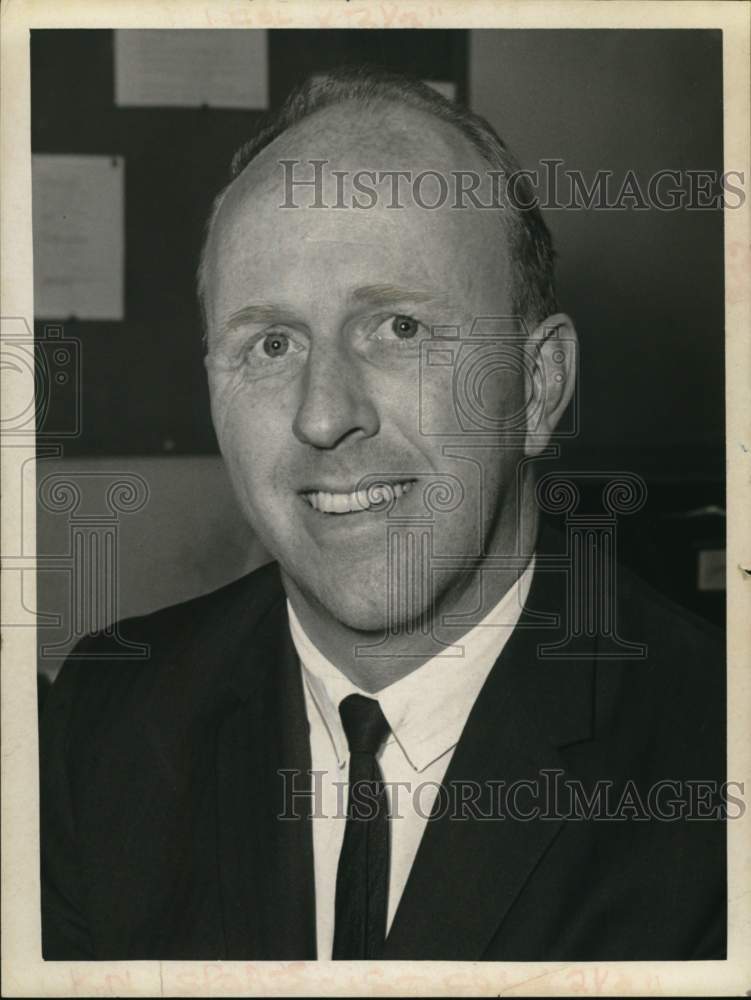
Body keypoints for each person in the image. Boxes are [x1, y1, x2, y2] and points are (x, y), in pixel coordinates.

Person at [39, 68, 725, 961]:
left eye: (399, 328)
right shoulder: (100, 726)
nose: (324, 415)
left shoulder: (712, 755)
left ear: (539, 387)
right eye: (271, 344)